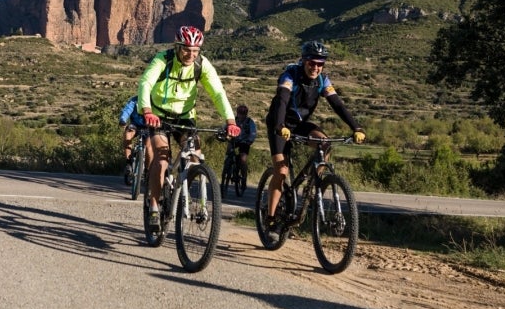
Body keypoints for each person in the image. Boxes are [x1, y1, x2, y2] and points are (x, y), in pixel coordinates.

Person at [137, 25, 241, 231]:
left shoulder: (202, 65)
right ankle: (155, 207)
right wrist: (147, 111)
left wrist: (230, 120)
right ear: (177, 47)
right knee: (161, 158)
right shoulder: (162, 59)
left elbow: (218, 93)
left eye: (195, 50)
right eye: (186, 49)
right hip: (158, 116)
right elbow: (145, 83)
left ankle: (201, 205)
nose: (190, 54)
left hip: (185, 117)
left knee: (195, 157)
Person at [265, 40, 365, 238]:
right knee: (281, 170)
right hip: (279, 123)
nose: (316, 67)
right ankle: (271, 218)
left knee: (325, 144)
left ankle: (314, 184)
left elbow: (338, 105)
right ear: (303, 61)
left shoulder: (322, 81)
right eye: (312, 63)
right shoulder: (289, 75)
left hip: (301, 123)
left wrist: (356, 127)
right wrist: (280, 126)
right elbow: (283, 100)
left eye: (320, 64)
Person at [118, 95, 150, 184]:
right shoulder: (135, 100)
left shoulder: (154, 100)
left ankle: (147, 170)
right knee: (128, 132)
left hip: (149, 127)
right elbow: (127, 110)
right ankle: (128, 162)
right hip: (135, 125)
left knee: (149, 147)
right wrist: (123, 119)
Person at [230, 104, 257, 190]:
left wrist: (249, 140)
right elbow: (226, 127)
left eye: (243, 113)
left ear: (246, 114)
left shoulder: (250, 122)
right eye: (240, 113)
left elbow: (253, 133)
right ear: (237, 113)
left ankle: (244, 178)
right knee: (229, 152)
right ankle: (229, 169)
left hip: (245, 142)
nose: (241, 115)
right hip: (235, 140)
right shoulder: (233, 120)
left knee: (243, 159)